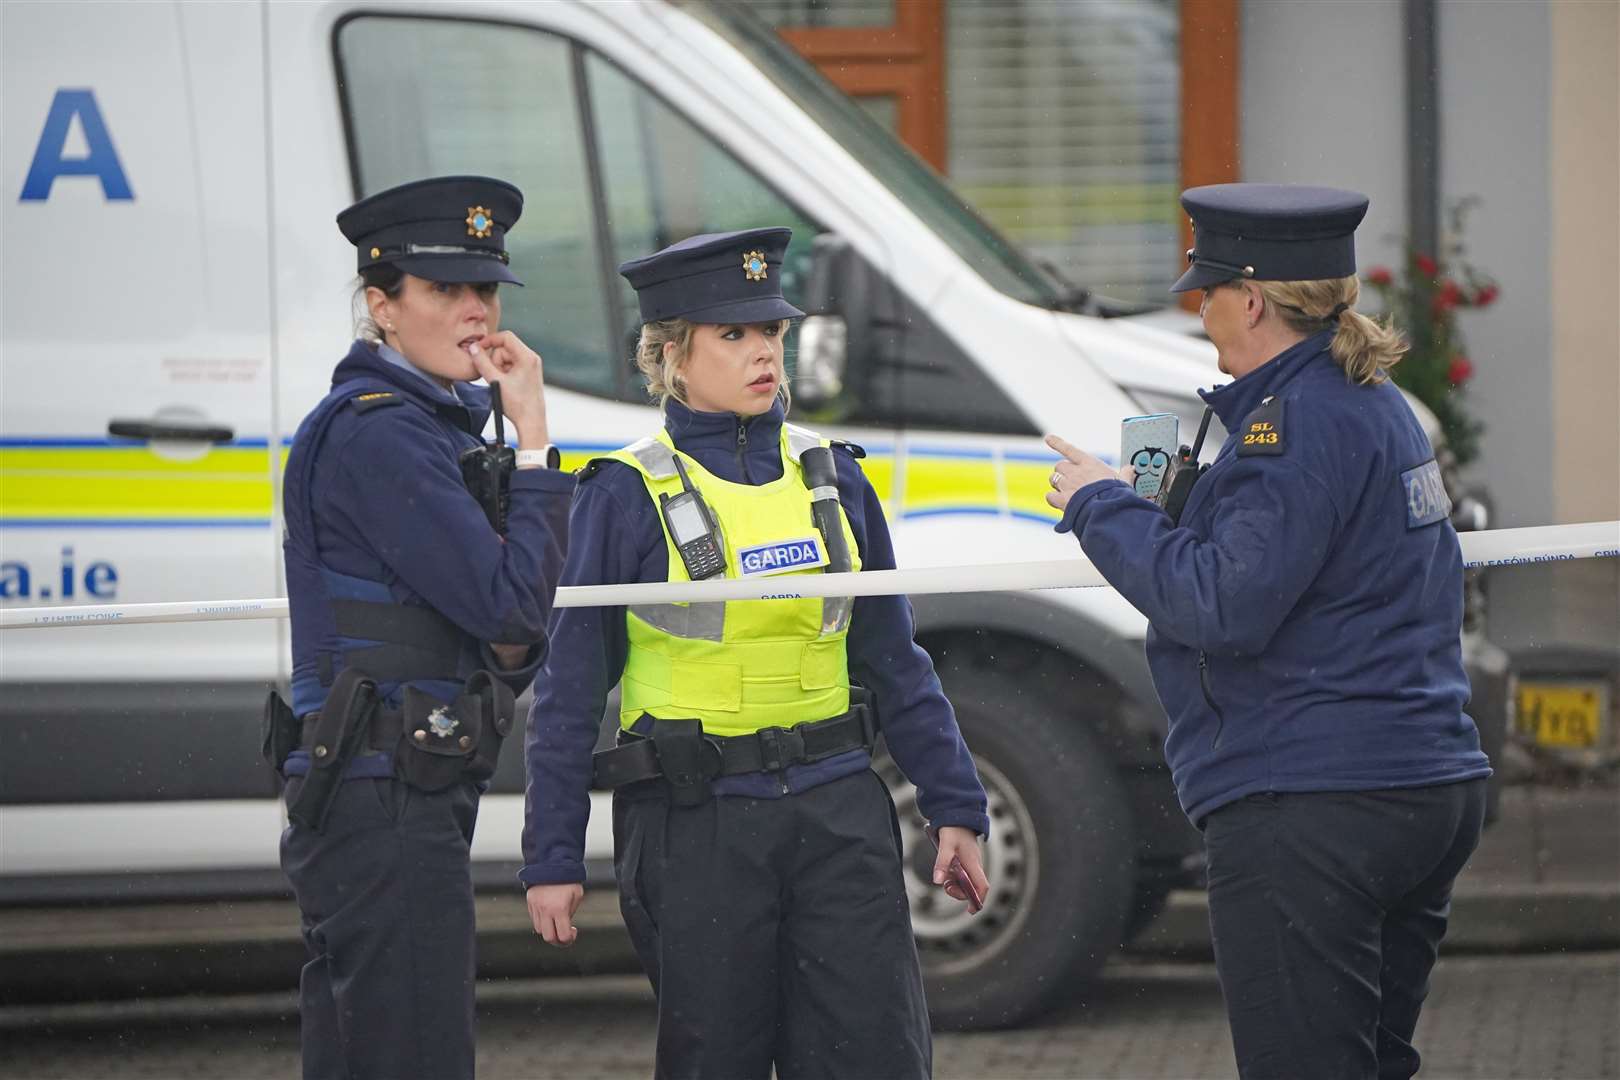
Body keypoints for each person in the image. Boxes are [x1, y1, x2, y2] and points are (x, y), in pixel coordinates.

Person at [1044, 184, 1492, 1080]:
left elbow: (1222, 605)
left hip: (1315, 800)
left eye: (1204, 291)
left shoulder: (1291, 428)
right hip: (1419, 780)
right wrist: (1169, 506)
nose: (1198, 310)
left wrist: (1100, 506)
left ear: (1250, 300)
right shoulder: (1369, 404)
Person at [521, 227, 990, 1078]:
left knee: (874, 1057)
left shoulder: (834, 476)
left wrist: (955, 803)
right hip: (695, 824)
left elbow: (893, 657)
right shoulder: (624, 493)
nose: (763, 352)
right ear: (670, 355)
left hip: (838, 810)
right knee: (717, 1060)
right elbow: (570, 685)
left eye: (771, 332)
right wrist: (552, 855)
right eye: (732, 335)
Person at [274, 175, 573, 1080]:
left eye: (484, 290)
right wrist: (533, 443)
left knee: (381, 1048)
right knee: (411, 1053)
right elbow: (514, 609)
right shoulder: (383, 435)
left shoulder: (432, 428)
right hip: (382, 789)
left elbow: (512, 644)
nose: (476, 312)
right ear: (382, 306)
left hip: (400, 783)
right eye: (445, 291)